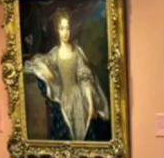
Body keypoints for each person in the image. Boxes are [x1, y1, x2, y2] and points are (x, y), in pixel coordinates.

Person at [23, 7, 109, 141]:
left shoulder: (77, 52)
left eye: (67, 28)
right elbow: (36, 61)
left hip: (80, 101)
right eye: (62, 28)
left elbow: (85, 79)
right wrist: (46, 69)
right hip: (64, 102)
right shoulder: (55, 53)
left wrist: (91, 106)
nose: (65, 32)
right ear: (57, 30)